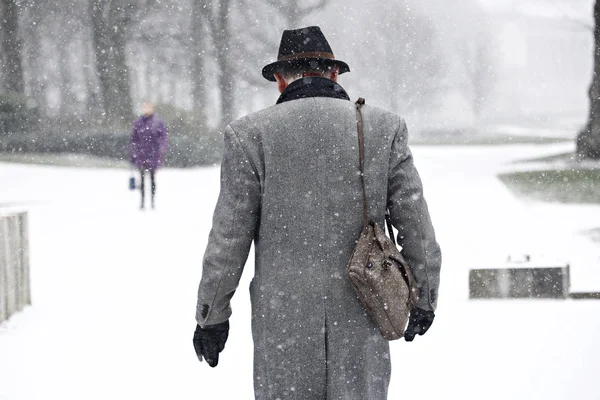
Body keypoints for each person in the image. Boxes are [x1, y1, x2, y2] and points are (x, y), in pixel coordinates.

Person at [193, 26, 441, 399]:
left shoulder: (249, 135)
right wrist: (424, 295)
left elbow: (229, 237)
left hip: (283, 322)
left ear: (279, 80)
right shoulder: (384, 128)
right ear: (334, 74)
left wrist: (212, 315)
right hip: (363, 308)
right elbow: (415, 224)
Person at [129, 103, 167, 210]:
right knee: (141, 180)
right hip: (141, 155)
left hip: (153, 155)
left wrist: (161, 148)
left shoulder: (158, 122)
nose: (146, 109)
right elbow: (134, 139)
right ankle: (142, 202)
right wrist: (133, 152)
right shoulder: (138, 122)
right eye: (145, 107)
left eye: (148, 107)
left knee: (152, 178)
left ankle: (152, 201)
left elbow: (163, 137)